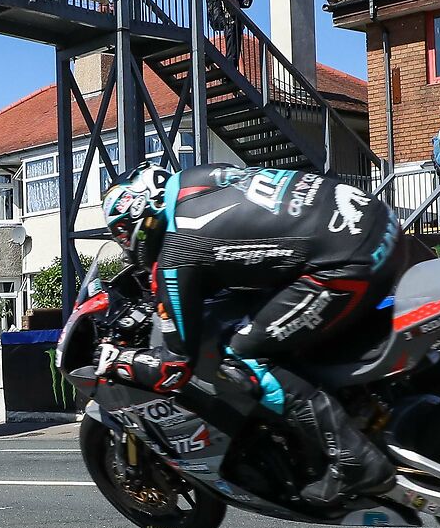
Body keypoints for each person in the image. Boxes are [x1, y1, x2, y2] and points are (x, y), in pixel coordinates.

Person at [100, 164, 401, 509]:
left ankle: (353, 458)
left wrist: (118, 360)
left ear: (139, 217)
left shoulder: (176, 254)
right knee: (277, 326)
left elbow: (177, 366)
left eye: (122, 234)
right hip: (380, 222)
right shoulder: (198, 178)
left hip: (350, 263)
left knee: (242, 353)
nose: (125, 246)